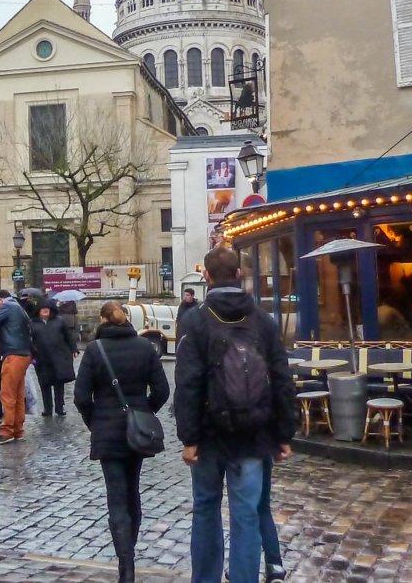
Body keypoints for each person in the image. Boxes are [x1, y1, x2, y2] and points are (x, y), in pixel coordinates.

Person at [174, 247, 298, 583]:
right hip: (253, 435)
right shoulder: (264, 320)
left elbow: (187, 384)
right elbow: (282, 378)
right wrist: (285, 433)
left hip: (209, 435)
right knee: (246, 515)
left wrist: (189, 438)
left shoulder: (194, 320)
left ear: (207, 277)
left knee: (206, 510)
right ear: (240, 276)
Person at [75, 300, 170, 583]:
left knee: (116, 497)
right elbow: (162, 390)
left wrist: (95, 421)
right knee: (133, 492)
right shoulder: (145, 348)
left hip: (107, 429)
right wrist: (145, 411)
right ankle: (130, 551)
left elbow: (81, 397)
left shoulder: (94, 351)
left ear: (103, 320)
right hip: (136, 431)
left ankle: (125, 565)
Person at [0, 288, 33, 444]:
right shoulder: (19, 307)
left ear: (0, 300)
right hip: (24, 354)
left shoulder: (7, 306)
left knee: (8, 394)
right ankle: (18, 429)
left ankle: (7, 431)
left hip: (13, 355)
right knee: (18, 394)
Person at [31, 303, 79, 416]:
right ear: (38, 311)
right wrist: (31, 355)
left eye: (47, 309)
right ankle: (47, 408)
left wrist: (74, 349)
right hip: (42, 358)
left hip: (59, 356)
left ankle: (59, 407)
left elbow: (68, 336)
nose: (45, 311)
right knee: (44, 384)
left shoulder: (59, 321)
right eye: (43, 309)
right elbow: (29, 341)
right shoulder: (33, 324)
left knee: (59, 383)